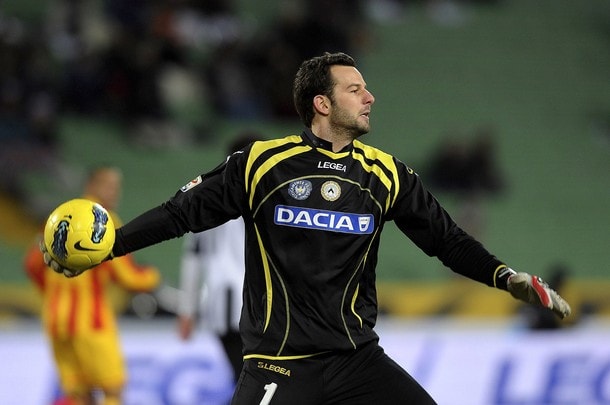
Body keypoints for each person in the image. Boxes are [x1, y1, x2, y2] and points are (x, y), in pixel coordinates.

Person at [43, 52, 571, 404]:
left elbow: (448, 241)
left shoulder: (386, 173)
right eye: (355, 89)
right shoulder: (260, 164)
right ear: (323, 103)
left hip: (357, 360)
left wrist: (507, 277)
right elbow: (180, 213)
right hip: (278, 364)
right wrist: (109, 246)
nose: (370, 97)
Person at [26, 165, 161, 405]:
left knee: (79, 394)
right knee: (113, 390)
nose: (115, 193)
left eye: (117, 187)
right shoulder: (102, 220)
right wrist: (151, 277)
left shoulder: (61, 215)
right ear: (91, 186)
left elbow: (34, 264)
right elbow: (127, 275)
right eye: (108, 186)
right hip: (91, 321)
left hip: (55, 320)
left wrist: (56, 293)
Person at [176, 133, 260, 385]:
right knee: (251, 379)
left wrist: (187, 309)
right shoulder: (261, 194)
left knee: (246, 378)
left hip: (219, 302)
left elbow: (193, 257)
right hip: (248, 302)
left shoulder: (203, 195)